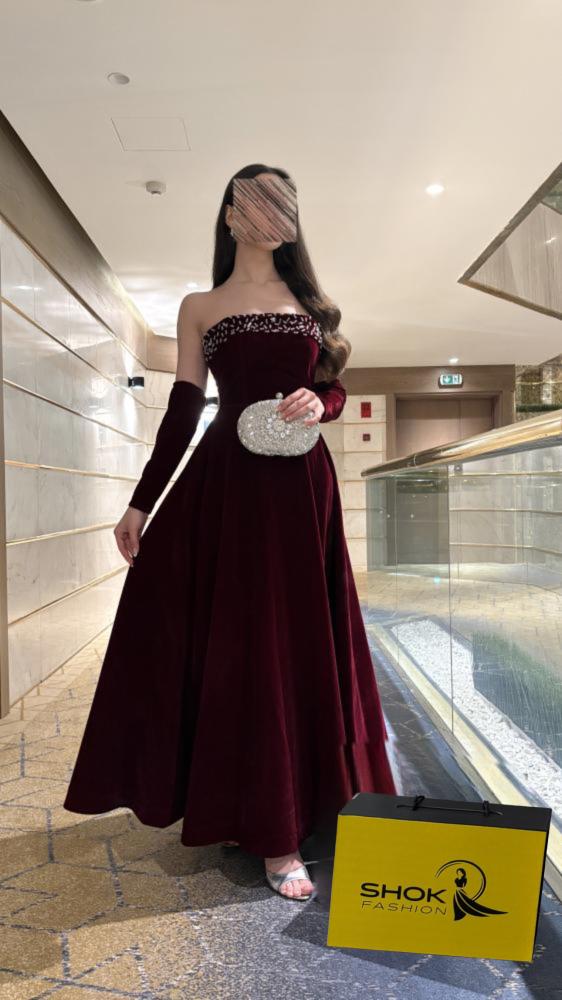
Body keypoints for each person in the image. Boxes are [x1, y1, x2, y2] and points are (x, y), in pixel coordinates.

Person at [63, 163, 397, 902]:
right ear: (230, 213)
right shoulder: (200, 307)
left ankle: (299, 816)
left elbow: (333, 388)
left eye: (284, 201)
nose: (272, 212)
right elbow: (185, 409)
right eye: (257, 199)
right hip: (227, 488)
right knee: (241, 644)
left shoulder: (312, 305)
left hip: (301, 490)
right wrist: (141, 502)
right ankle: (263, 825)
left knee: (296, 641)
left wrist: (320, 403)